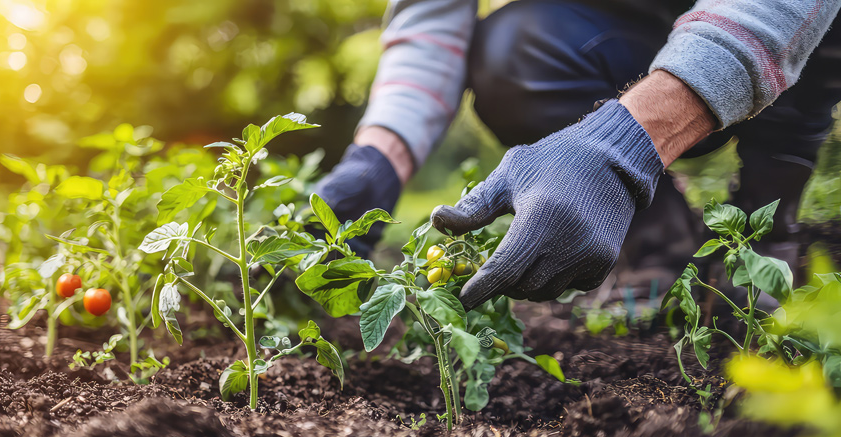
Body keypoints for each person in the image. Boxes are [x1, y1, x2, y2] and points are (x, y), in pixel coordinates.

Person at [312, 0, 841, 311]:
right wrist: (380, 156)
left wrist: (625, 142)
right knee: (514, 51)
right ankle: (662, 243)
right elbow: (431, 18)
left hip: (771, 26)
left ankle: (766, 226)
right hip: (621, 37)